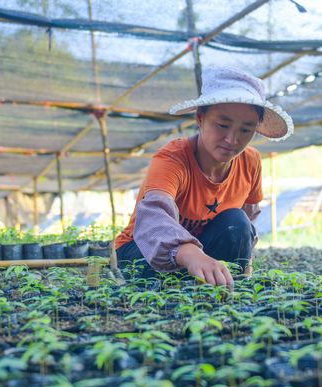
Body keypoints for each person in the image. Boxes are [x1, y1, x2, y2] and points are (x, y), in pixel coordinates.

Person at [115, 66, 293, 287]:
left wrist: (244, 265)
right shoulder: (172, 159)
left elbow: (245, 222)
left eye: (246, 130)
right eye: (222, 125)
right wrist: (190, 253)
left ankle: (220, 291)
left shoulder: (251, 161)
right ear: (200, 118)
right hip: (143, 247)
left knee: (236, 221)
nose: (232, 139)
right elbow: (154, 216)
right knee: (162, 288)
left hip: (202, 251)